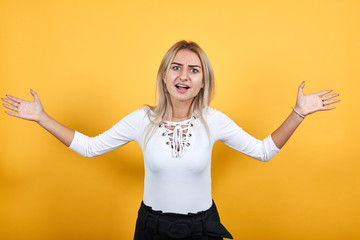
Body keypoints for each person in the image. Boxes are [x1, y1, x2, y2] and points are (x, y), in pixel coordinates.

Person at [2, 40, 340, 240]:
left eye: (194, 70)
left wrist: (298, 113)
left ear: (204, 81)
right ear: (164, 77)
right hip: (152, 227)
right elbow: (90, 148)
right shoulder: (141, 120)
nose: (184, 75)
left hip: (202, 227)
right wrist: (41, 118)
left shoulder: (213, 120)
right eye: (176, 67)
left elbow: (264, 151)